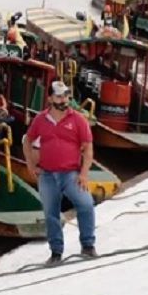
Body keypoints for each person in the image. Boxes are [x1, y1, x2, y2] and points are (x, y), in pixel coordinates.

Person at [22, 80, 97, 265]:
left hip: (71, 174)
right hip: (47, 174)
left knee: (86, 204)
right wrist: (31, 165)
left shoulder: (78, 120)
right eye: (59, 96)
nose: (63, 100)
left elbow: (88, 148)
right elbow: (27, 141)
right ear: (50, 98)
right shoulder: (40, 120)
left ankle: (88, 245)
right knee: (50, 213)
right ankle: (56, 252)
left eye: (66, 96)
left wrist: (84, 174)